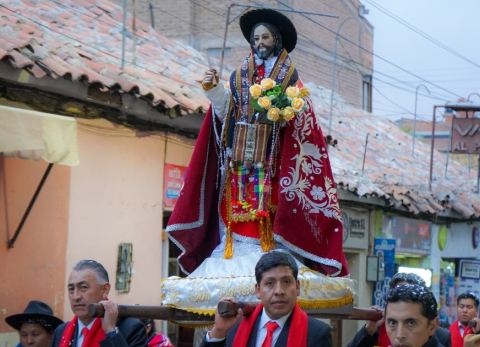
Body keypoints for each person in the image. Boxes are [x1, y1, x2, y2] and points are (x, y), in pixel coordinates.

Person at [162, 7, 353, 314]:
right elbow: (224, 117)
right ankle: (234, 256)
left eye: (266, 37)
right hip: (239, 165)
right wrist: (214, 93)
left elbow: (304, 131)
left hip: (275, 167)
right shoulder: (239, 77)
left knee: (273, 211)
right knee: (235, 214)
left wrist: (283, 116)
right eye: (256, 37)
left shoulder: (292, 81)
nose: (260, 42)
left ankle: (275, 252)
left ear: (277, 40)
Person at [199, 251, 332, 347]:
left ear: (297, 287)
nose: (279, 291)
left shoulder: (317, 333)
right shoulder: (234, 327)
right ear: (258, 290)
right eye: (270, 283)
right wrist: (219, 332)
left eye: (286, 281)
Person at [51, 259, 147, 347]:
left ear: (104, 290)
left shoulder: (130, 328)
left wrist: (111, 331)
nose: (76, 296)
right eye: (71, 289)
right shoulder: (61, 332)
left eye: (83, 287)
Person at [347, 272, 451, 347]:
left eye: (411, 323)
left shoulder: (441, 335)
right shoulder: (376, 327)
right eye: (392, 323)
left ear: (432, 326)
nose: (399, 335)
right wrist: (368, 330)